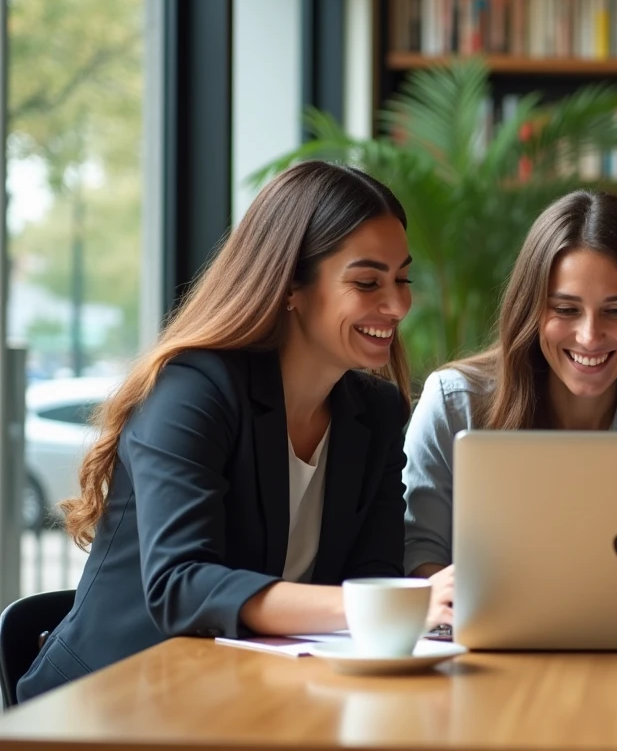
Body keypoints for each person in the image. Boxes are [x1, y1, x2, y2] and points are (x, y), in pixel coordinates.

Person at [18, 161, 452, 702]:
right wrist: (385, 604)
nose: (398, 304)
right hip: (112, 701)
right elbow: (181, 585)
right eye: (368, 282)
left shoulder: (377, 413)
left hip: (254, 697)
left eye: (402, 278)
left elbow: (374, 570)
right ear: (291, 284)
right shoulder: (192, 391)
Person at [403, 190, 617, 578]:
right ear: (531, 309)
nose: (589, 337)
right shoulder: (453, 403)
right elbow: (417, 552)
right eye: (566, 310)